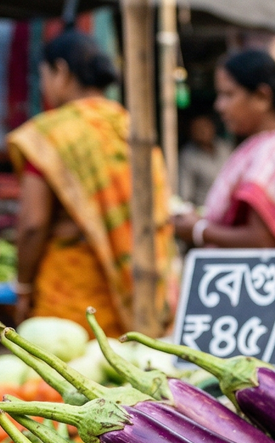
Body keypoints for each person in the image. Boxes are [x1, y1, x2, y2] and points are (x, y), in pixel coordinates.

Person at [9, 30, 173, 338]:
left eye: (43, 75)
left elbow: (33, 222)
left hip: (71, 295)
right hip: (136, 291)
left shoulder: (51, 135)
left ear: (61, 71)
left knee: (65, 378)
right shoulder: (133, 130)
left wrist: (23, 287)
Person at [174, 50, 275, 251]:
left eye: (228, 94)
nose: (219, 106)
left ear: (262, 97)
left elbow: (262, 241)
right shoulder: (263, 146)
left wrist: (198, 230)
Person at [178, 112, 230, 207]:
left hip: (229, 206)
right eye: (198, 128)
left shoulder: (224, 147)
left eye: (206, 126)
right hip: (204, 209)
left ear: (213, 127)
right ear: (191, 132)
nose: (203, 131)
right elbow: (185, 193)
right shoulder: (188, 156)